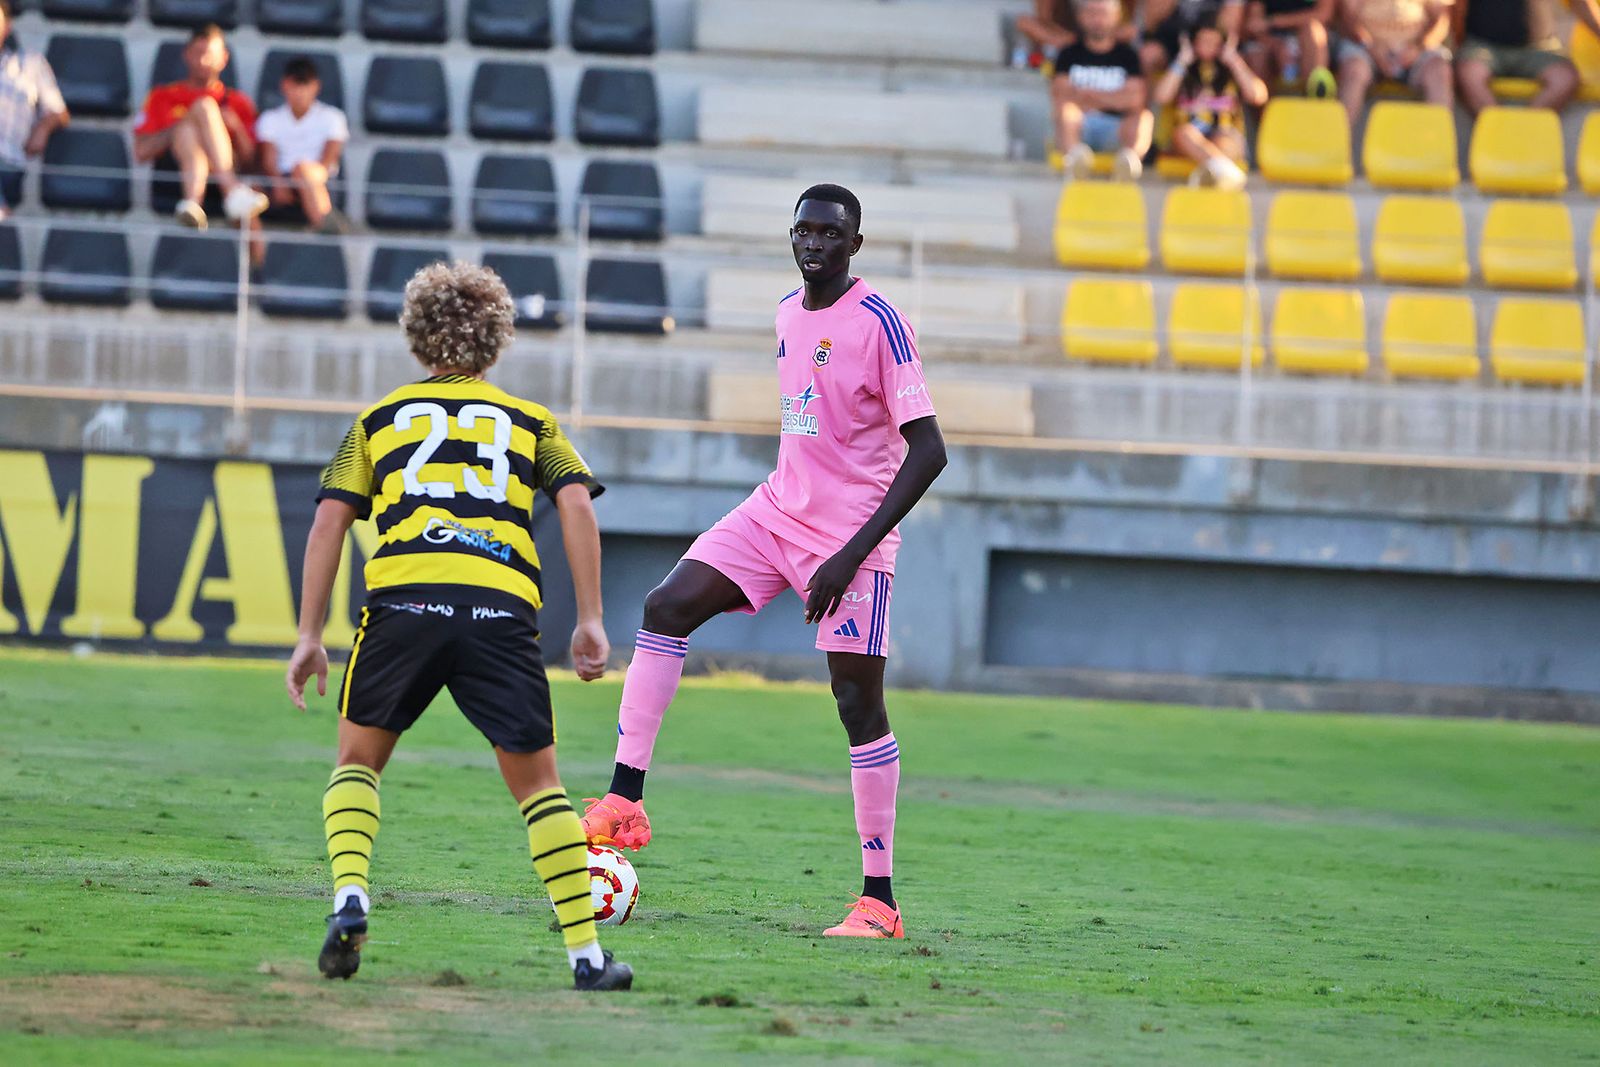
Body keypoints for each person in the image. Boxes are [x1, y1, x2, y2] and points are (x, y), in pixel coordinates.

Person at [579, 184, 948, 941]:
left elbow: (930, 450)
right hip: (776, 511)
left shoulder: (882, 322)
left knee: (856, 704)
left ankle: (879, 901)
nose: (814, 244)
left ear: (855, 244)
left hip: (852, 536)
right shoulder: (786, 312)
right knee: (665, 606)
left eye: (830, 233)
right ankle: (623, 798)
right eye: (804, 231)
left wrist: (850, 554)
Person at [285, 260, 633, 991]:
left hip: (404, 601)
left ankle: (351, 895)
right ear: (496, 342)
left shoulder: (377, 420)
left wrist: (309, 634)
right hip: (499, 609)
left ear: (417, 340)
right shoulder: (532, 421)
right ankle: (586, 958)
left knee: (356, 765)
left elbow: (328, 520)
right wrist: (592, 618)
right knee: (542, 789)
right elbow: (576, 504)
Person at [132, 23, 267, 229]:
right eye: (198, 53)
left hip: (222, 181)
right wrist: (186, 122)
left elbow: (252, 162)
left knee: (199, 115)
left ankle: (193, 202)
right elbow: (141, 151)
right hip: (172, 178)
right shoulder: (162, 96)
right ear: (187, 54)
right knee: (197, 117)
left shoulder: (239, 103)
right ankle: (230, 191)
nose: (204, 60)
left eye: (210, 54)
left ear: (224, 57)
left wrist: (236, 128)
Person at [1154, 19, 1269, 188]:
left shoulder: (1232, 72)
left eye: (1214, 42)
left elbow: (1258, 96)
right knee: (1184, 133)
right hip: (1189, 140)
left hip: (1226, 136)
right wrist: (1182, 61)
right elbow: (1161, 97)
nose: (1209, 46)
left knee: (1223, 140)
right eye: (1203, 41)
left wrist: (1234, 60)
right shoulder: (1182, 72)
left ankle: (1215, 172)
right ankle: (1225, 173)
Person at [1052, 0, 1153, 180]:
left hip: (1117, 128)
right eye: (1092, 13)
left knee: (1144, 118)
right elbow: (1061, 94)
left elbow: (1136, 100)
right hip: (1081, 125)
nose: (1098, 20)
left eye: (1103, 13)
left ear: (1116, 17)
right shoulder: (1068, 54)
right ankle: (1075, 162)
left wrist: (1088, 95)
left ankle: (1128, 165)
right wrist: (1115, 99)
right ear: (1081, 17)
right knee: (1066, 111)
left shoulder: (1128, 55)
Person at [1454, 0, 1600, 114]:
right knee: (1469, 74)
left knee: (1565, 78)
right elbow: (1455, 6)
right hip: (1483, 46)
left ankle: (1524, 130)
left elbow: (1580, 4)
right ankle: (1498, 130)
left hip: (1539, 47)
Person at [256, 56, 348, 231]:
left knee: (303, 170)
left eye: (304, 84)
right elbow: (268, 160)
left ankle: (325, 230)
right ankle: (329, 231)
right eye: (294, 84)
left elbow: (328, 161)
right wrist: (279, 184)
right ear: (284, 85)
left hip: (321, 181)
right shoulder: (270, 119)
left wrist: (304, 175)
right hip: (281, 182)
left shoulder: (333, 117)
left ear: (316, 86)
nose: (299, 91)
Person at [0, 0, 69, 221]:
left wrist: (43, 127)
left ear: (7, 26)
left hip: (6, 163)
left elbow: (59, 112)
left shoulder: (31, 63)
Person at [1336, 0, 1454, 125]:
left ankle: (1437, 138)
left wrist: (1418, 48)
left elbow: (1441, 21)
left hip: (1417, 47)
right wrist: (1371, 47)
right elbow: (1348, 17)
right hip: (1366, 47)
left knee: (1439, 71)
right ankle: (1338, 137)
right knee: (1354, 70)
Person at [1243, 0, 1337, 95]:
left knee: (1313, 32)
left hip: (1307, 37)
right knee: (1257, 57)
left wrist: (1274, 21)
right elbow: (1254, 23)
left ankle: (1315, 95)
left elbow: (1323, 14)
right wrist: (1275, 45)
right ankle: (1265, 106)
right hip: (1273, 40)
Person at [1141, 0, 1246, 78]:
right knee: (1149, 54)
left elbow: (1231, 27)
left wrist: (1204, 42)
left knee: (1236, 54)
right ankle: (1149, 106)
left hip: (1215, 40)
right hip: (1174, 41)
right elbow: (1151, 23)